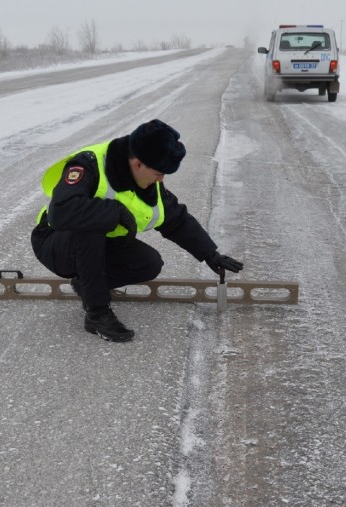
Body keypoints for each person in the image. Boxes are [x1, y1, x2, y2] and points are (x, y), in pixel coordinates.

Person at [30, 119, 244, 342]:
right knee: (93, 223)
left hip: (96, 246)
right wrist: (115, 211)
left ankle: (86, 284)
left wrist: (210, 255)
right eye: (159, 173)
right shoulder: (89, 163)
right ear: (139, 163)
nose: (161, 180)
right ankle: (97, 314)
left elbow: (177, 220)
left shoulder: (149, 184)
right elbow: (61, 212)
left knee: (149, 262)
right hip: (55, 242)